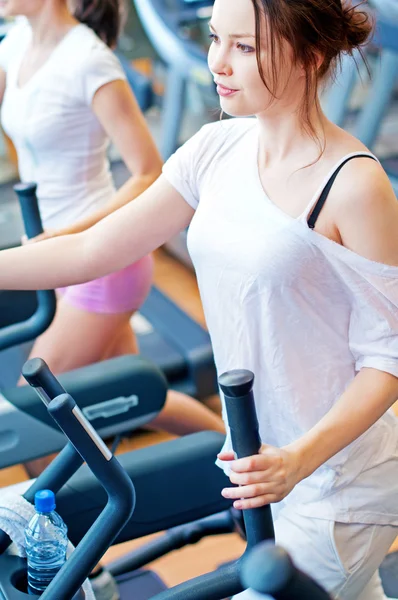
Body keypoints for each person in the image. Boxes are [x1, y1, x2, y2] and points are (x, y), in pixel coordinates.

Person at [0, 0, 397, 597]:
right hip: (258, 464)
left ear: (310, 55)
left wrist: (298, 459)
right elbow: (91, 252)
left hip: (340, 482)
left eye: (245, 46)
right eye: (214, 38)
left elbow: (388, 356)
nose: (217, 61)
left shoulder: (353, 184)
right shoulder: (216, 149)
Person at [0, 0, 225, 450]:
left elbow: (146, 172)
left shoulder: (90, 62)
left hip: (101, 262)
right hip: (53, 258)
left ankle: (53, 522)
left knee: (36, 414)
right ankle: (241, 456)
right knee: (140, 399)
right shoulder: (17, 43)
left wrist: (67, 236)